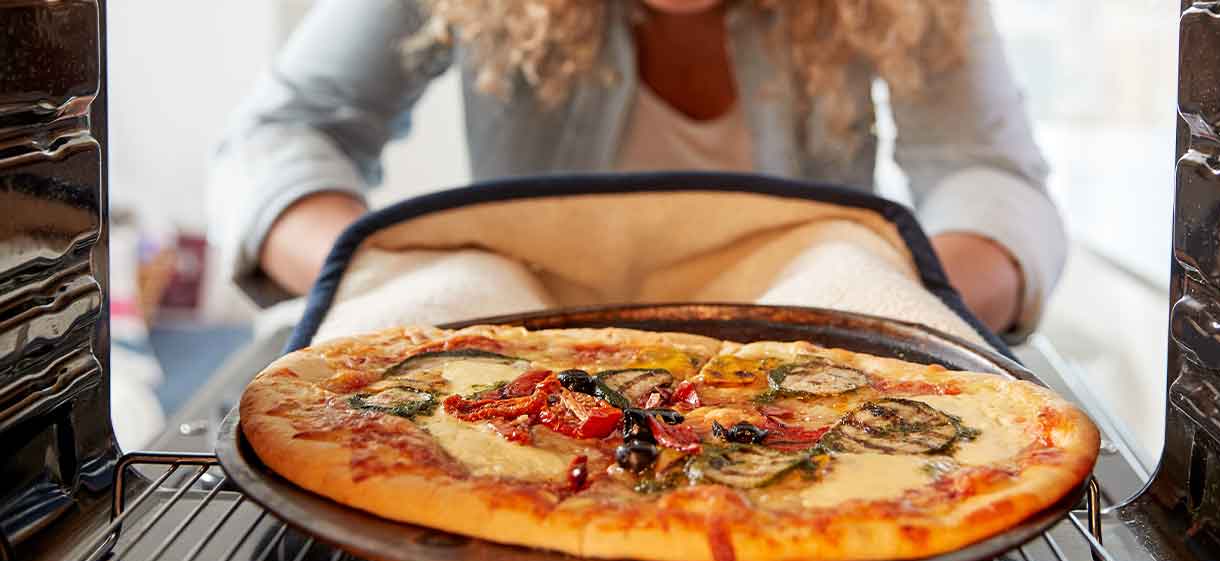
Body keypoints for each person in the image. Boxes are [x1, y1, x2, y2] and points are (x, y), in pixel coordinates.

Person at [209, 0, 1064, 340]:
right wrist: (403, 277)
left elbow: (987, 176)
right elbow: (282, 135)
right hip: (512, 371)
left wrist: (875, 307)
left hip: (811, 367)